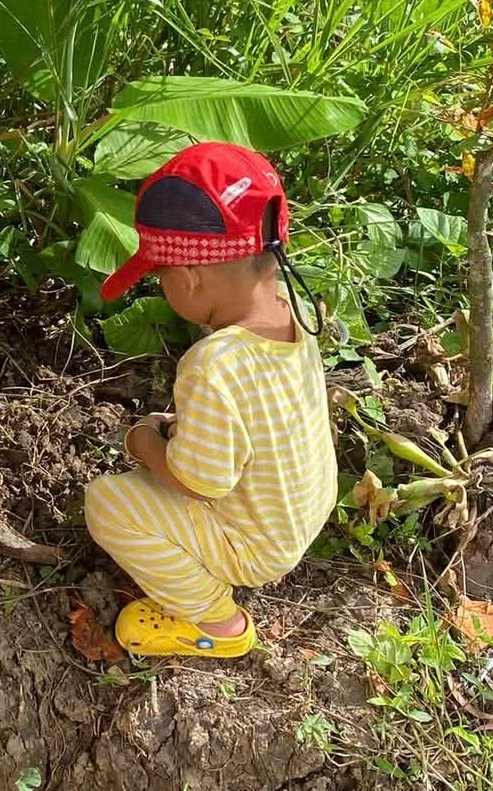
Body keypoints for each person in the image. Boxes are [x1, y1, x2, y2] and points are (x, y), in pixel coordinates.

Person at [83, 143, 337, 659]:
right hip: (302, 511)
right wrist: (183, 427)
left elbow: (199, 483)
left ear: (190, 278)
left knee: (108, 502)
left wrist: (144, 442)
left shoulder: (212, 363)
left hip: (258, 544)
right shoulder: (292, 315)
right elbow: (261, 416)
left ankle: (218, 623)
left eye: (160, 276)